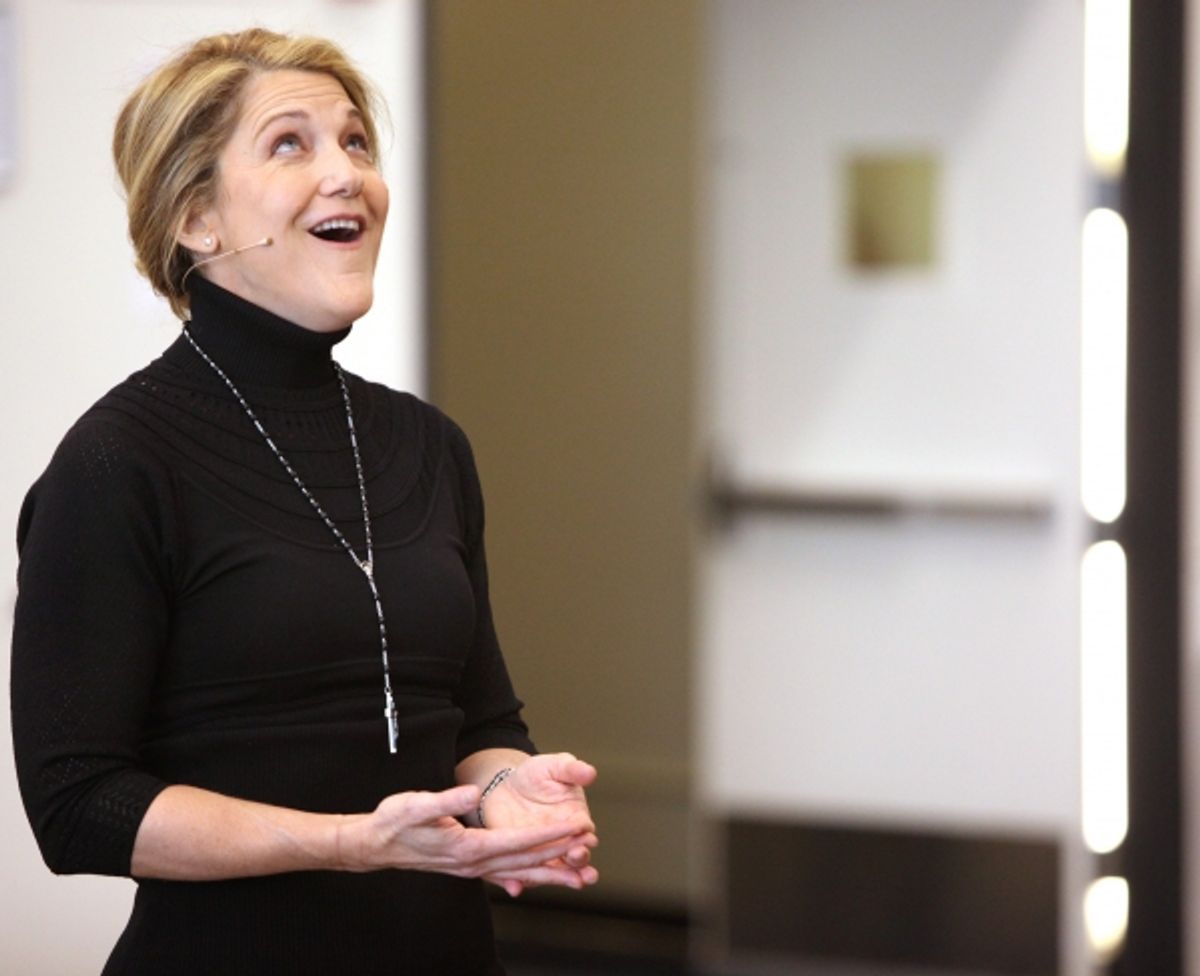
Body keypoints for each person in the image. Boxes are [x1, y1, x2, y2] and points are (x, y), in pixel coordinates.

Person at [10, 27, 598, 975]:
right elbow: (78, 804)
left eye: (357, 142)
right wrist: (347, 842)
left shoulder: (427, 445)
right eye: (292, 143)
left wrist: (510, 792)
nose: (346, 175)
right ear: (196, 216)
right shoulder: (115, 463)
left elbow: (481, 722)